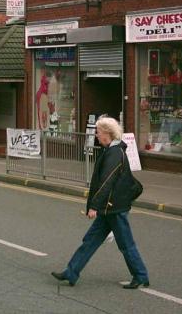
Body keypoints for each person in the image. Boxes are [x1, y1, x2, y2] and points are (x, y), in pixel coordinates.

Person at [51, 116, 149, 289]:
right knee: (90, 240)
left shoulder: (114, 153)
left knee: (126, 244)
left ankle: (140, 275)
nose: (97, 135)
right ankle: (71, 272)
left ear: (107, 133)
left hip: (114, 207)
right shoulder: (110, 150)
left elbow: (106, 181)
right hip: (109, 207)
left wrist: (94, 206)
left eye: (99, 132)